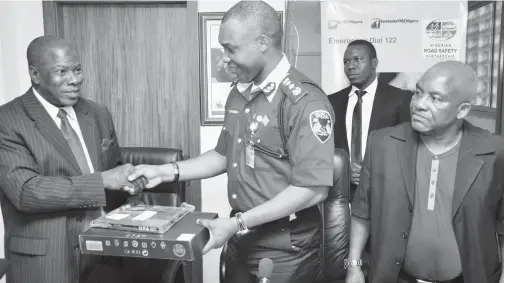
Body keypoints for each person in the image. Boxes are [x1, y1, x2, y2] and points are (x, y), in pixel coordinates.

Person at [127, 1, 335, 282]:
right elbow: (224, 155)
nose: (224, 59)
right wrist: (165, 172)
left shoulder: (305, 101)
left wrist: (237, 223)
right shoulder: (240, 93)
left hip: (286, 250)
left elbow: (313, 189)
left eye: (231, 49)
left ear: (262, 42)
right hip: (241, 238)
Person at [0, 36, 143, 283]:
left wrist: (130, 185)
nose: (74, 80)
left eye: (77, 70)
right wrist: (102, 181)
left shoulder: (98, 113)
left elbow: (114, 173)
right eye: (62, 72)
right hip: (47, 261)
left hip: (105, 254)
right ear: (35, 75)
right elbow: (25, 191)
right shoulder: (8, 119)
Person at [345, 61, 503, 283]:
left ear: (462, 110)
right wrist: (353, 267)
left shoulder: (495, 152)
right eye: (417, 92)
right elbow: (362, 211)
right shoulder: (383, 144)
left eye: (435, 98)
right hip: (396, 277)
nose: (419, 104)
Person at [328, 40, 412, 199]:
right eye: (346, 61)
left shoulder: (400, 99)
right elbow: (325, 147)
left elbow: (407, 148)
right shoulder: (331, 102)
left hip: (386, 191)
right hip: (343, 193)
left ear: (374, 63)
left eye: (357, 60)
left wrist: (372, 170)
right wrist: (343, 168)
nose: (350, 66)